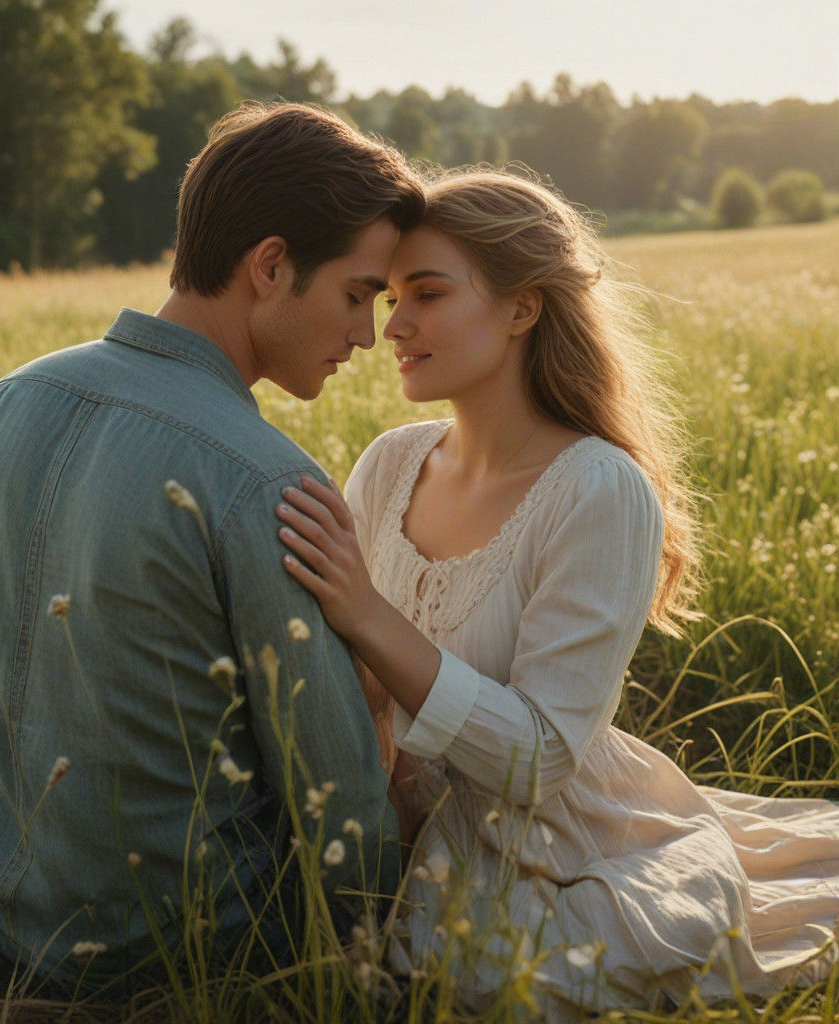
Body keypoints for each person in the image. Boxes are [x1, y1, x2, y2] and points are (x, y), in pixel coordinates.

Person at [275, 169, 839, 1019]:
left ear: (522, 307)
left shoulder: (599, 490)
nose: (394, 326)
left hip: (546, 839)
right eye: (391, 297)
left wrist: (370, 616)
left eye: (427, 294)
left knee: (491, 976)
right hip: (378, 822)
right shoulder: (390, 463)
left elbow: (538, 761)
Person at [0, 101, 424, 992]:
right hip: (175, 945)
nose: (366, 334)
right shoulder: (266, 483)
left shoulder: (6, 399)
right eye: (358, 294)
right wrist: (364, 952)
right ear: (271, 267)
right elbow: (339, 808)